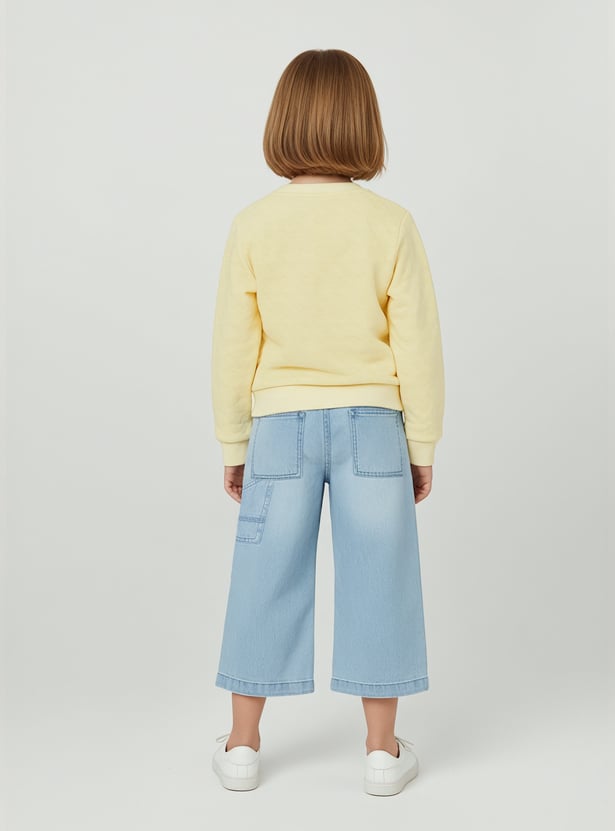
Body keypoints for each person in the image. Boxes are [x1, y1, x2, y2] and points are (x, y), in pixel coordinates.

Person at [210, 48, 445, 796]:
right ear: (363, 124)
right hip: (374, 425)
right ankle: (381, 753)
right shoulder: (390, 224)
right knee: (381, 574)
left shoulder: (254, 224)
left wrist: (234, 440)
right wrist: (421, 444)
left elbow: (233, 344)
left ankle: (242, 746)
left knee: (263, 574)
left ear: (282, 122)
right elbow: (418, 344)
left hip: (279, 425)